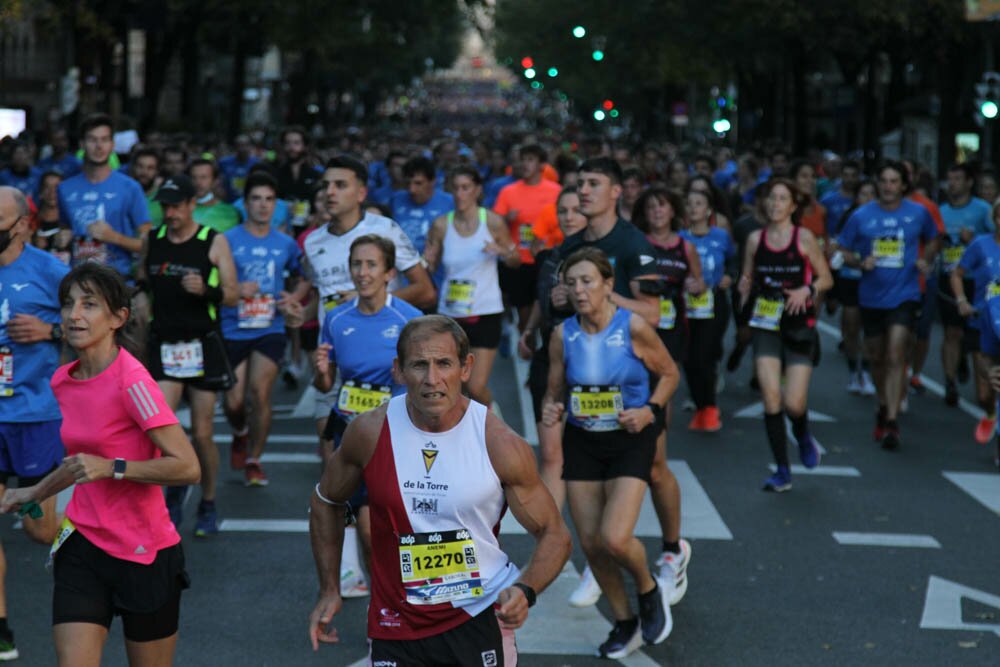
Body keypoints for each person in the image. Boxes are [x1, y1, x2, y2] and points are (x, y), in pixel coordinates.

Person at [308, 315, 571, 665]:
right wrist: (329, 588)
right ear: (398, 370)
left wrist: (525, 590)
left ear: (466, 368)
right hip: (395, 624)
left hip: (477, 617)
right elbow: (326, 501)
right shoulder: (369, 432)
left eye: (444, 363)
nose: (432, 380)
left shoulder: (499, 444)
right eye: (419, 365)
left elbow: (554, 533)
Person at [0, 262, 200, 667]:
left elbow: (187, 467)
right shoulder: (63, 380)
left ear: (117, 318)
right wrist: (34, 492)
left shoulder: (134, 382)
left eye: (89, 305)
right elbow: (80, 462)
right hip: (83, 546)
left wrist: (114, 468)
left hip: (144, 554)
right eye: (69, 304)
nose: (74, 315)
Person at [542, 247, 678, 658]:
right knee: (592, 545)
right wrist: (552, 407)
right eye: (572, 282)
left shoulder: (632, 327)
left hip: (629, 437)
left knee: (615, 538)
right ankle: (624, 620)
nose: (579, 290)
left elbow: (670, 373)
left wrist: (649, 410)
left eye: (587, 281)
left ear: (607, 285)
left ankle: (648, 589)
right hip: (583, 441)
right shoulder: (562, 335)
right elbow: (554, 388)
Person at [312, 234, 422, 598]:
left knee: (378, 529)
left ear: (390, 272)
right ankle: (384, 606)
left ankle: (397, 599)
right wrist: (322, 372)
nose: (362, 273)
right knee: (362, 526)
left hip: (396, 434)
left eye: (371, 264)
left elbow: (432, 377)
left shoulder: (410, 320)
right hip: (349, 432)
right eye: (356, 264)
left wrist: (406, 377)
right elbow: (327, 381)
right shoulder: (336, 318)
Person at [137, 174, 238, 535]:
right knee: (160, 428)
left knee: (203, 432)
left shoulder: (213, 241)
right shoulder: (154, 239)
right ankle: (176, 487)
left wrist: (205, 290)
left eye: (177, 206)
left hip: (202, 343)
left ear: (192, 204)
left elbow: (232, 293)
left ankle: (208, 501)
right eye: (165, 206)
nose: (171, 212)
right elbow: (143, 281)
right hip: (164, 342)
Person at [0, 186, 71, 660]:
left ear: (22, 225)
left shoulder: (50, 271)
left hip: (34, 417)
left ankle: (86, 526)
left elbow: (105, 317)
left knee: (40, 532)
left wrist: (52, 330)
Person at [739, 178, 833, 491]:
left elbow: (826, 278)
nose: (776, 204)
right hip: (766, 323)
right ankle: (782, 470)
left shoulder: (804, 238)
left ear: (793, 206)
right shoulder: (755, 240)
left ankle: (804, 435)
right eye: (772, 198)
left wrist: (807, 289)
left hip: (798, 324)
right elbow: (748, 277)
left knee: (794, 403)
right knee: (770, 397)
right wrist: (743, 289)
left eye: (782, 199)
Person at [838, 161, 939, 450]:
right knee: (878, 357)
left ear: (903, 185)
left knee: (896, 352)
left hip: (905, 293)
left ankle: (893, 421)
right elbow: (842, 248)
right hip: (871, 295)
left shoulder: (918, 213)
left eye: (894, 181)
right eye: (884, 181)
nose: (888, 186)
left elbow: (934, 239)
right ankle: (883, 405)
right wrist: (859, 261)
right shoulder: (861, 215)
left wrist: (925, 259)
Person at [221, 172, 307, 491]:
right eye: (256, 199)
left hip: (270, 327)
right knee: (233, 402)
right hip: (233, 326)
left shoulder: (285, 243)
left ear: (277, 205)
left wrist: (294, 297)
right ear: (245, 205)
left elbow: (304, 276)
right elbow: (213, 280)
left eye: (269, 200)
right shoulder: (227, 240)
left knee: (259, 392)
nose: (262, 206)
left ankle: (254, 459)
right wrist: (234, 287)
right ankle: (240, 432)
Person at [424, 166, 519, 406]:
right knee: (458, 387)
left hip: (486, 312)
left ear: (477, 190)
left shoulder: (493, 222)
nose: (459, 194)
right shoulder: (441, 225)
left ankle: (489, 413)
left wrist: (502, 252)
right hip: (451, 315)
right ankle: (468, 431)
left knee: (476, 387)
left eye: (465, 188)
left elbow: (515, 260)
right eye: (455, 188)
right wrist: (428, 261)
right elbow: (431, 268)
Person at [518, 186, 588, 512]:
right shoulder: (550, 256)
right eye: (563, 211)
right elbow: (539, 297)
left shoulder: (597, 257)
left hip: (588, 360)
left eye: (576, 210)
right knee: (549, 453)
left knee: (585, 454)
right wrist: (529, 330)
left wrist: (574, 298)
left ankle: (594, 541)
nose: (569, 217)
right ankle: (552, 536)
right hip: (548, 356)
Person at [57, 113, 150, 277]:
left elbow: (148, 244)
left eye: (104, 139)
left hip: (118, 281)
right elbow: (65, 232)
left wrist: (114, 237)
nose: (99, 146)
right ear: (82, 144)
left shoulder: (130, 188)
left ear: (112, 144)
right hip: (78, 280)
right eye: (92, 140)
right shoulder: (65, 188)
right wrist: (61, 240)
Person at [680, 186, 736, 431]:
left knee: (705, 355)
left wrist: (730, 277)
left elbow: (734, 261)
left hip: (715, 302)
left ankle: (709, 407)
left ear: (709, 210)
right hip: (686, 304)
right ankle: (701, 403)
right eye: (690, 203)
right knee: (689, 358)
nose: (694, 208)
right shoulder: (680, 238)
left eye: (699, 203)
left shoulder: (721, 236)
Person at [938, 163, 993, 406]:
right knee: (952, 331)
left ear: (969, 183)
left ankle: (978, 378)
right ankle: (950, 382)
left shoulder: (983, 210)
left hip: (978, 283)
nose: (953, 184)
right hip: (950, 277)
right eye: (950, 179)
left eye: (958, 179)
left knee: (975, 336)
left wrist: (974, 240)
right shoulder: (940, 212)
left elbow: (995, 237)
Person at [493, 144, 563, 330]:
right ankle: (525, 347)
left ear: (542, 165)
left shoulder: (556, 191)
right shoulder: (508, 191)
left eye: (530, 160)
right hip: (520, 260)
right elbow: (495, 224)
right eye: (522, 159)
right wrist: (507, 219)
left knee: (547, 310)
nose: (525, 164)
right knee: (523, 312)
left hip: (549, 258)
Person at [951, 198, 1000, 444]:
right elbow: (957, 274)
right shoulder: (981, 245)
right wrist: (961, 301)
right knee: (984, 393)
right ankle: (991, 413)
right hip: (982, 322)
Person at [831, 179, 878, 394]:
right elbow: (840, 249)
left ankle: (866, 373)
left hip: (875, 279)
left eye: (871, 194)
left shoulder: (884, 219)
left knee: (870, 328)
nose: (867, 199)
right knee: (851, 326)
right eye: (863, 194)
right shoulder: (852, 218)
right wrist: (858, 261)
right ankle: (853, 372)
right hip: (851, 276)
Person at [390, 156, 454, 255]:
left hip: (436, 268)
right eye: (408, 183)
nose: (412, 189)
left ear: (432, 181)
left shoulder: (450, 203)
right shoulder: (396, 200)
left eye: (418, 183)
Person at [189, 158, 240, 233]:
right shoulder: (179, 210)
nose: (198, 182)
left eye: (204, 177)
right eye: (194, 177)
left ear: (215, 181)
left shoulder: (231, 212)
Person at [218, 134, 259, 203]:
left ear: (250, 147)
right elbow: (218, 182)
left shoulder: (257, 163)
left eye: (245, 145)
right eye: (239, 145)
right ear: (235, 147)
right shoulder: (224, 163)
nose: (242, 149)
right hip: (229, 203)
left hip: (249, 204)